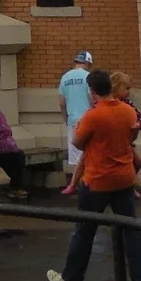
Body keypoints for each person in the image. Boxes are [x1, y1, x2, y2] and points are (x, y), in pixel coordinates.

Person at [47, 67, 141, 281]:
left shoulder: (92, 116)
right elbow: (131, 137)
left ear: (92, 92)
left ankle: (73, 279)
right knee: (131, 231)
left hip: (97, 181)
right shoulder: (128, 112)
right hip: (124, 179)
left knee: (84, 231)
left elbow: (78, 142)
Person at [57, 52, 95, 196]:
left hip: (73, 121)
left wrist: (65, 117)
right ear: (87, 63)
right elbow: (91, 98)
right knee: (89, 152)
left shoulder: (65, 77)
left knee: (76, 156)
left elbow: (61, 102)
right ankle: (88, 184)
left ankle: (77, 185)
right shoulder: (87, 77)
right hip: (87, 119)